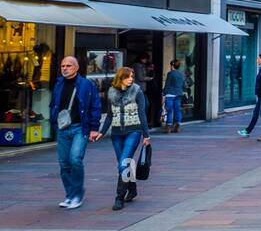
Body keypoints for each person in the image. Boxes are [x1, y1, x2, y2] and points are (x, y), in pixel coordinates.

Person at [49, 56, 102, 210]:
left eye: (69, 66)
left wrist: (94, 128)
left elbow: (95, 106)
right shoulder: (59, 83)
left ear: (76, 68)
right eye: (62, 65)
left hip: (80, 127)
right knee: (64, 163)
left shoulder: (86, 84)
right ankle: (70, 195)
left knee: (75, 159)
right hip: (63, 128)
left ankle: (77, 195)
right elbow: (54, 104)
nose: (65, 68)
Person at [97, 66, 151, 212]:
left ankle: (119, 198)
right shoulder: (111, 93)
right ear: (120, 78)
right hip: (116, 134)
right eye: (128, 77)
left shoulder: (137, 91)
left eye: (132, 76)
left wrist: (146, 135)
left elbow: (142, 113)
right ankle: (132, 189)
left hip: (133, 131)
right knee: (125, 164)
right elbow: (109, 115)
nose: (131, 79)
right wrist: (102, 132)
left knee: (122, 165)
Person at [162, 60, 185, 133]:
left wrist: (164, 93)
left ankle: (168, 127)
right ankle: (177, 125)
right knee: (177, 110)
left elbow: (167, 84)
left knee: (170, 110)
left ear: (172, 66)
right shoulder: (181, 74)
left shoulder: (170, 73)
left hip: (170, 94)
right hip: (178, 94)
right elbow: (184, 85)